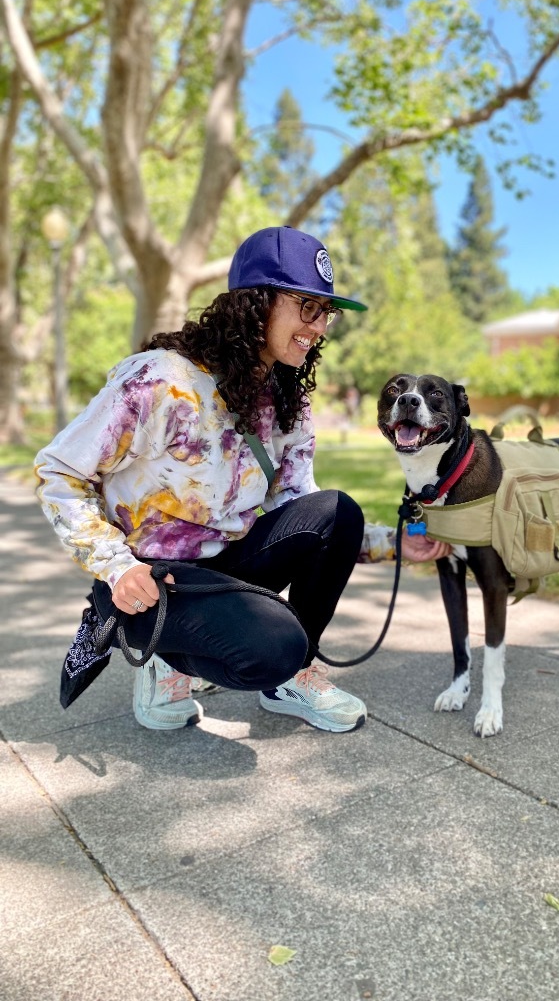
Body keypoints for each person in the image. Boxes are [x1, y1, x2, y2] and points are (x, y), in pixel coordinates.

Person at [35, 226, 450, 733]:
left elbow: (302, 504)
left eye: (327, 312)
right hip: (155, 582)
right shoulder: (160, 381)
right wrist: (117, 569)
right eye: (308, 307)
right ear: (256, 303)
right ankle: (159, 648)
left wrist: (395, 546)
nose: (320, 327)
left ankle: (292, 677)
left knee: (338, 512)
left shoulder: (286, 402)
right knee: (274, 645)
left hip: (227, 564)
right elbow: (59, 472)